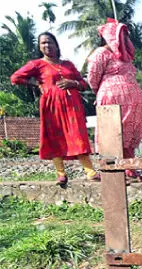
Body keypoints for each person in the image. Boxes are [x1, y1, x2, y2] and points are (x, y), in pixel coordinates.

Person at [10, 33, 100, 186]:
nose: (46, 45)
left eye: (49, 42)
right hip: (52, 106)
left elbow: (83, 84)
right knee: (54, 137)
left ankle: (90, 172)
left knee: (78, 135)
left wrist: (73, 83)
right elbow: (15, 78)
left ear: (56, 45)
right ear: (39, 47)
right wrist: (36, 84)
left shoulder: (68, 65)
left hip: (73, 106)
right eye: (43, 43)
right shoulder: (36, 64)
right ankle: (61, 174)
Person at [87, 19, 142, 180]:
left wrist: (98, 92)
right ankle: (125, 170)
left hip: (115, 100)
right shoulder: (108, 54)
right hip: (123, 100)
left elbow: (93, 79)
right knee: (119, 135)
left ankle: (119, 171)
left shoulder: (109, 54)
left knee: (116, 135)